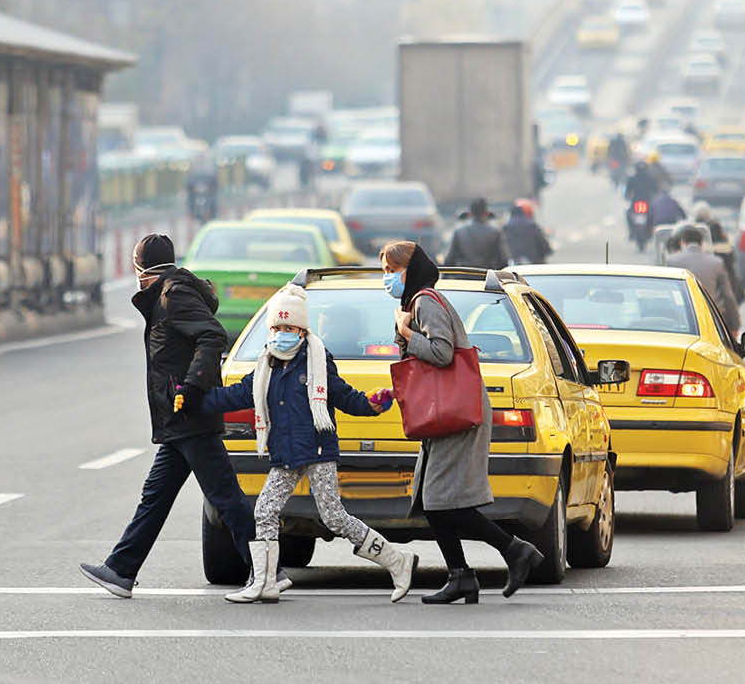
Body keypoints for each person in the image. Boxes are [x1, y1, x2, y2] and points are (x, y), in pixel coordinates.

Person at [181, 284, 420, 603]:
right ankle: (264, 582)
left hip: (318, 451)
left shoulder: (318, 361)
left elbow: (345, 396)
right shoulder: (267, 365)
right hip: (286, 454)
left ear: (303, 330)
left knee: (333, 517)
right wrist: (195, 400)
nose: (282, 333)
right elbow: (237, 394)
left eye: (289, 327)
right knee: (265, 511)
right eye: (277, 327)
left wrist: (373, 405)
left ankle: (397, 561)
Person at [80, 233, 273, 598]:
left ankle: (266, 572)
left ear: (143, 267)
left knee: (226, 498)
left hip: (190, 416)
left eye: (136, 263)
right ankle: (121, 569)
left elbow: (212, 335)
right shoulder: (168, 293)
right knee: (155, 497)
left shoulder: (173, 295)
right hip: (179, 420)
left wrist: (192, 387)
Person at [380, 241, 545, 603]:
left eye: (392, 271)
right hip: (442, 412)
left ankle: (514, 550)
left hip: (455, 411)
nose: (387, 279)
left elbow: (440, 353)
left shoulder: (425, 301)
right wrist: (404, 329)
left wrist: (406, 331)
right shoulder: (415, 304)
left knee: (441, 500)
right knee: (434, 499)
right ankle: (462, 576)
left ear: (411, 270)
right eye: (384, 272)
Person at [665, 225, 741, 334]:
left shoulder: (671, 261)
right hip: (711, 320)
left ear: (682, 242)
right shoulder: (716, 262)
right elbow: (728, 296)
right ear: (701, 243)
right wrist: (735, 325)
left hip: (681, 320)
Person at [442, 197, 510, 270]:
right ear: (486, 213)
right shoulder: (495, 232)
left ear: (470, 213)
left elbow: (450, 258)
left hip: (463, 277)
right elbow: (503, 259)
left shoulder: (459, 231)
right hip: (487, 277)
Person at [503, 199, 553, 265]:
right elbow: (542, 242)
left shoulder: (506, 227)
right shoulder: (531, 225)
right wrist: (548, 250)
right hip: (534, 261)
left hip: (514, 262)